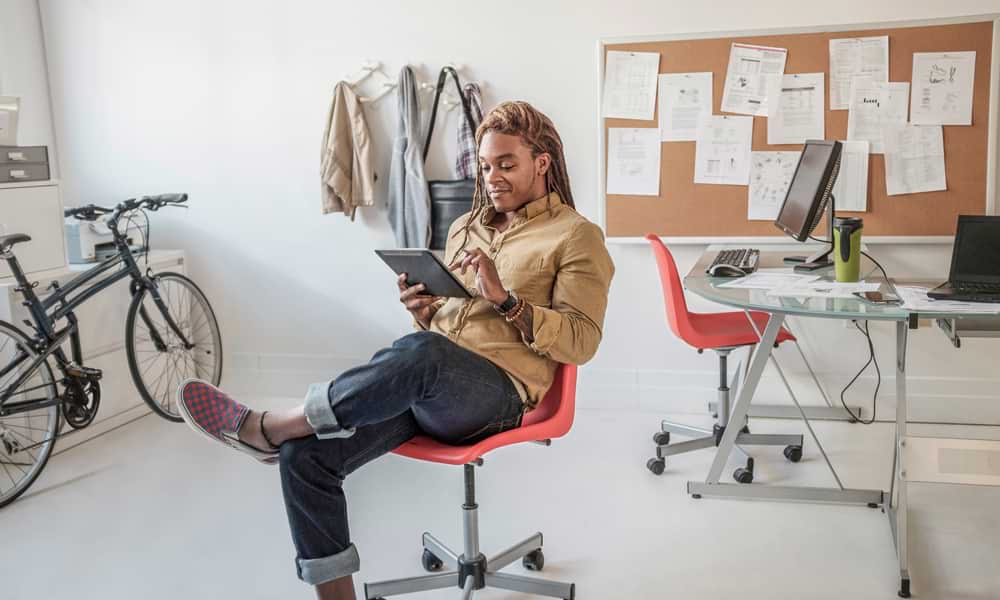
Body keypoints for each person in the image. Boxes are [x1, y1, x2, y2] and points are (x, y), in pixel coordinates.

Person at [177, 101, 615, 600]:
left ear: (542, 162)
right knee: (306, 455)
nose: (493, 177)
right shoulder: (464, 226)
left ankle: (272, 426)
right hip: (433, 383)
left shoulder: (576, 236)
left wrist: (506, 300)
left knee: (423, 354)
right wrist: (423, 309)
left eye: (507, 164)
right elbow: (448, 318)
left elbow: (582, 341)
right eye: (487, 165)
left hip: (499, 396)